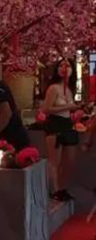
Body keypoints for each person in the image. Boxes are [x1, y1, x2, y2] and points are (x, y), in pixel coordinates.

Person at [43, 59, 79, 201]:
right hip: (55, 124)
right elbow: (46, 109)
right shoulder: (53, 88)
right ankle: (56, 190)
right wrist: (68, 107)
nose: (64, 68)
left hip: (67, 124)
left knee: (70, 160)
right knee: (54, 161)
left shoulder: (70, 89)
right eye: (61, 65)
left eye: (68, 65)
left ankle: (62, 187)